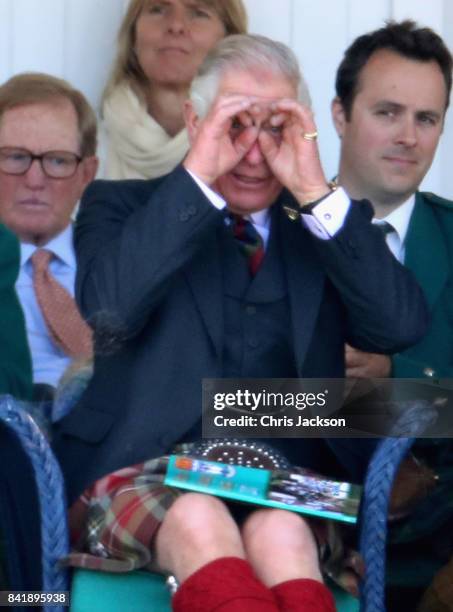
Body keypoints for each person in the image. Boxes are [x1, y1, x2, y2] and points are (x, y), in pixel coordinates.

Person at [53, 34, 428, 610]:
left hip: (292, 478)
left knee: (282, 534)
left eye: (275, 128)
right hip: (144, 467)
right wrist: (200, 174)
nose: (253, 152)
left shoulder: (327, 224)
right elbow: (109, 310)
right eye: (234, 125)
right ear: (194, 120)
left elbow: (399, 327)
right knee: (200, 516)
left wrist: (310, 189)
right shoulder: (119, 204)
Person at [331, 20, 453, 610]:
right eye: (387, 112)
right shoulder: (264, 237)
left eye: (426, 119)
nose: (408, 136)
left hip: (439, 549)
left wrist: (393, 374)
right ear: (339, 116)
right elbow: (228, 405)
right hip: (291, 534)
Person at [0, 73, 99, 400]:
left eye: (57, 160)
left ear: (87, 174)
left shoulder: (123, 259)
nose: (34, 179)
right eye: (15, 157)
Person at [101, 0, 247, 179]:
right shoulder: (82, 146)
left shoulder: (255, 153)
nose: (176, 25)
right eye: (158, 10)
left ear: (229, 39)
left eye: (198, 13)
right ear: (133, 35)